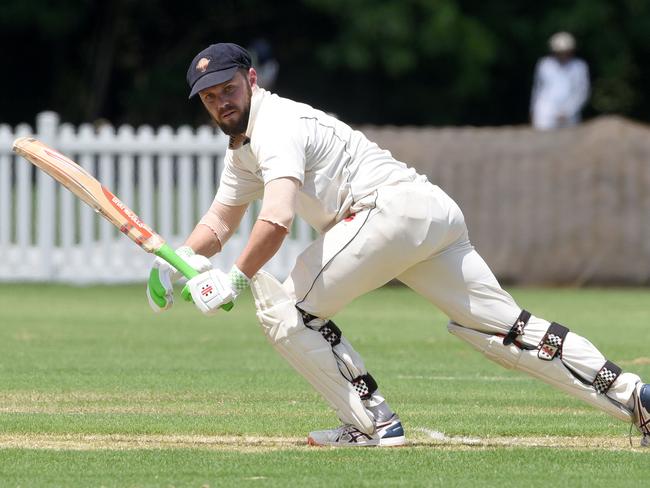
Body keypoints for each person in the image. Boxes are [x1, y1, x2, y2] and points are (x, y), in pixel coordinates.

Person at [146, 42, 650, 447]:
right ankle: (635, 398)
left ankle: (372, 424)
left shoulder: (277, 125)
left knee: (287, 311)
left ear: (252, 80)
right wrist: (182, 262)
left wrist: (235, 280)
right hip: (429, 212)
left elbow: (275, 219)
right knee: (504, 331)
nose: (221, 102)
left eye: (228, 89)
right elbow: (219, 220)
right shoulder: (242, 149)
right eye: (210, 97)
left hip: (382, 212)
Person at [530, 32, 590, 130]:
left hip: (570, 116)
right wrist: (533, 110)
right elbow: (538, 90)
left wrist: (568, 111)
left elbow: (582, 92)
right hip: (545, 113)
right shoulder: (545, 65)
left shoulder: (579, 67)